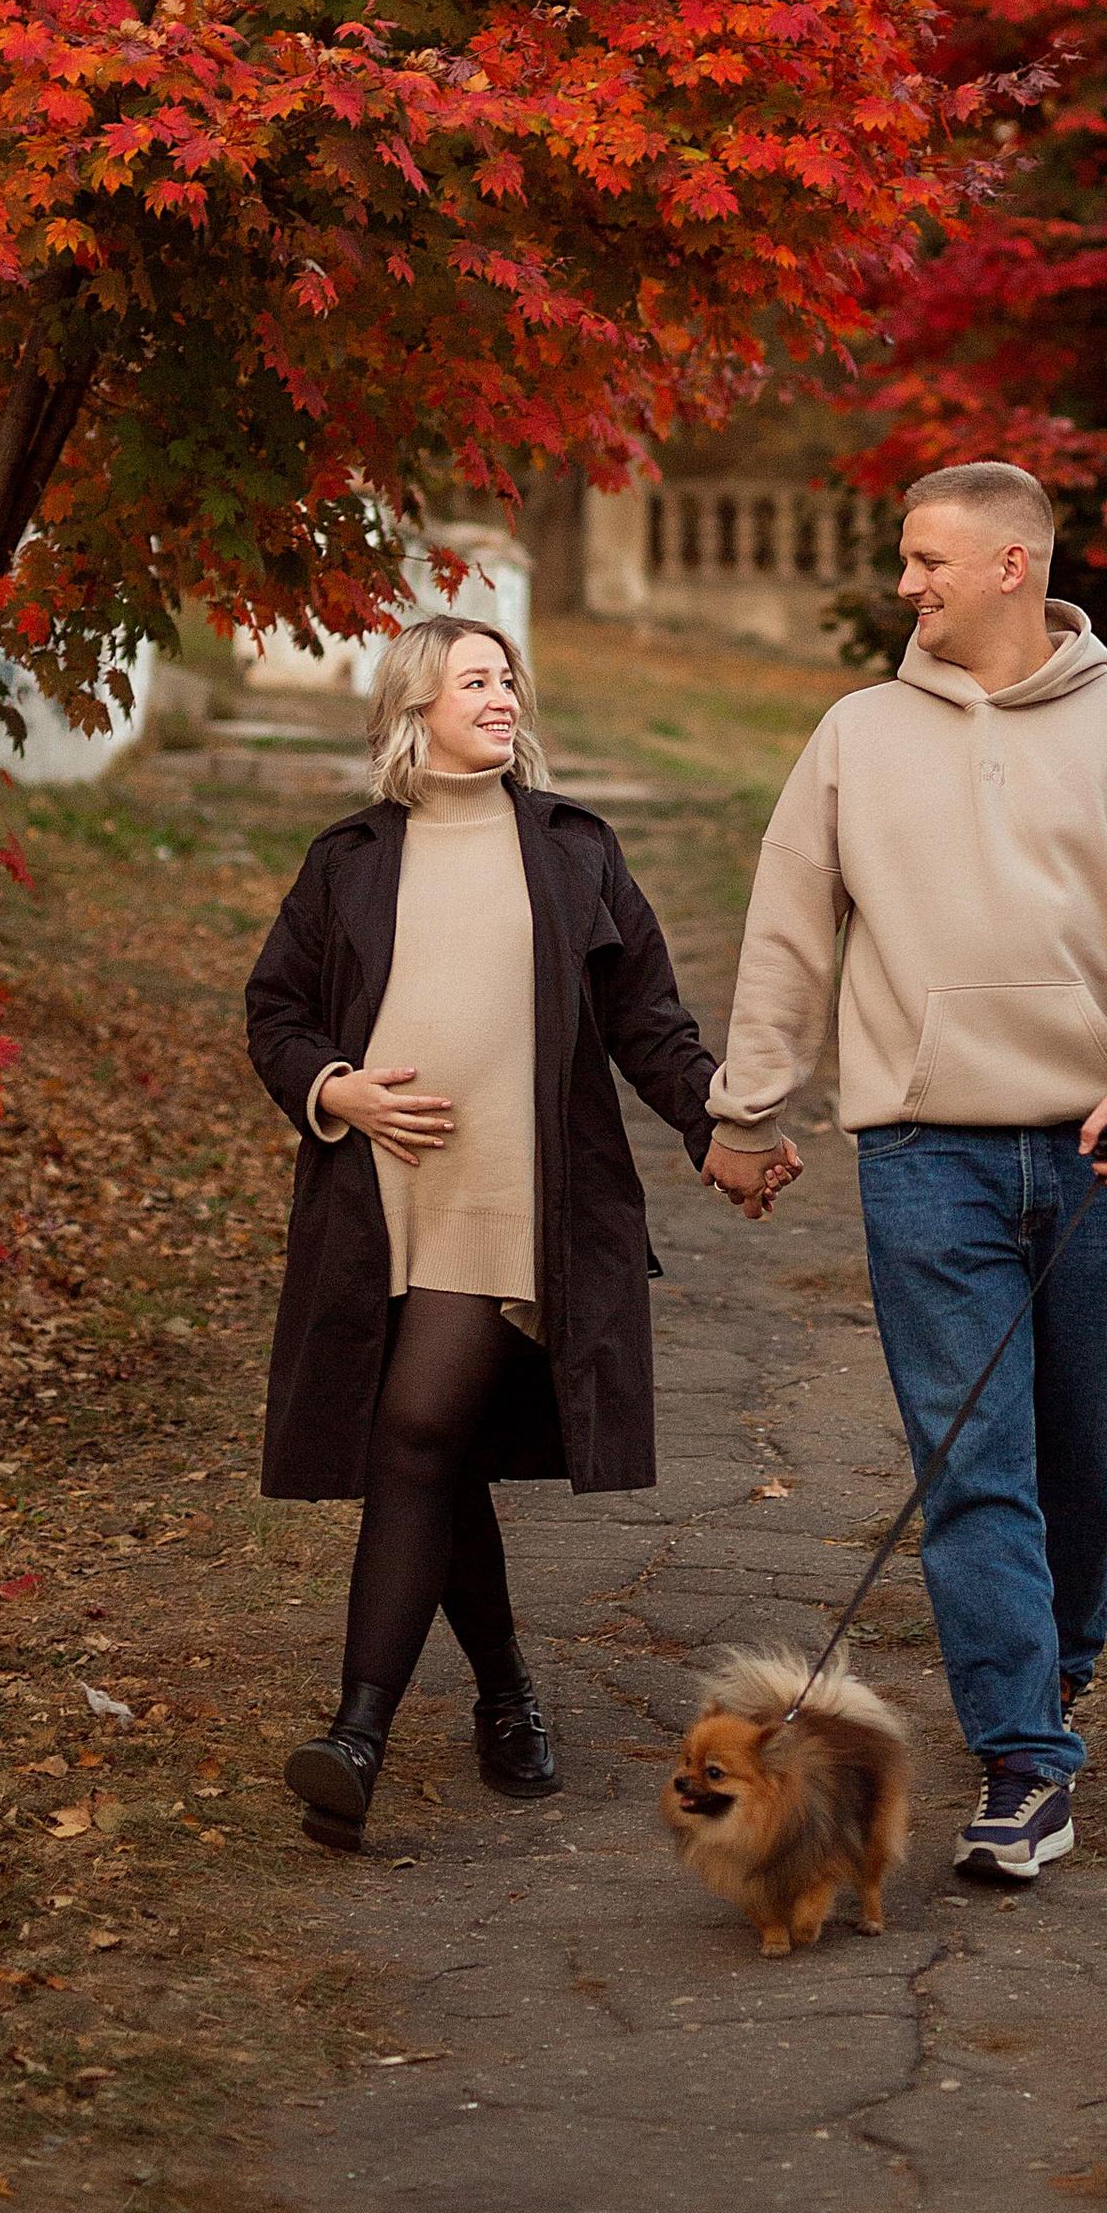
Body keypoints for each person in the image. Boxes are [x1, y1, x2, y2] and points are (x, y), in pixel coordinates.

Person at [708, 462, 1107, 1883]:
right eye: (904, 560)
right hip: (925, 1157)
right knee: (973, 1468)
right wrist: (749, 1110)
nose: (907, 585)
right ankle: (1024, 1765)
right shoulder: (858, 735)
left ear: (1012, 566)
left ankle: (1053, 1676)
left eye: (931, 560)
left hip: (1097, 1153)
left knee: (1087, 1466)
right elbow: (789, 934)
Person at [244, 613, 785, 1849]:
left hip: (516, 1194)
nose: (500, 696)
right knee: (430, 1456)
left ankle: (358, 1736)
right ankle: (503, 1698)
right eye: (471, 680)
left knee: (420, 1425)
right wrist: (336, 1087)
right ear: (413, 706)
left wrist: (719, 1131)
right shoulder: (349, 859)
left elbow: (647, 1019)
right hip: (381, 1201)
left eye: (505, 678)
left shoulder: (572, 849)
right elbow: (274, 1008)